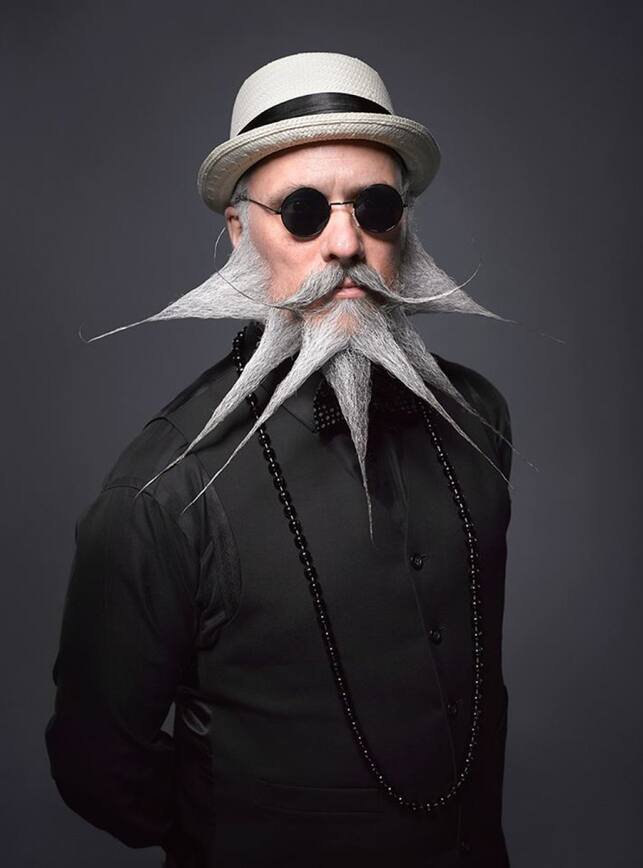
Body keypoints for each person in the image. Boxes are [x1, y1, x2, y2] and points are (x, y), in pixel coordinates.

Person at [45, 52, 514, 867]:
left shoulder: (480, 418)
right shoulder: (162, 495)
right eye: (303, 211)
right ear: (240, 233)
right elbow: (96, 766)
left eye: (375, 207)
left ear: (404, 222)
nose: (345, 243)